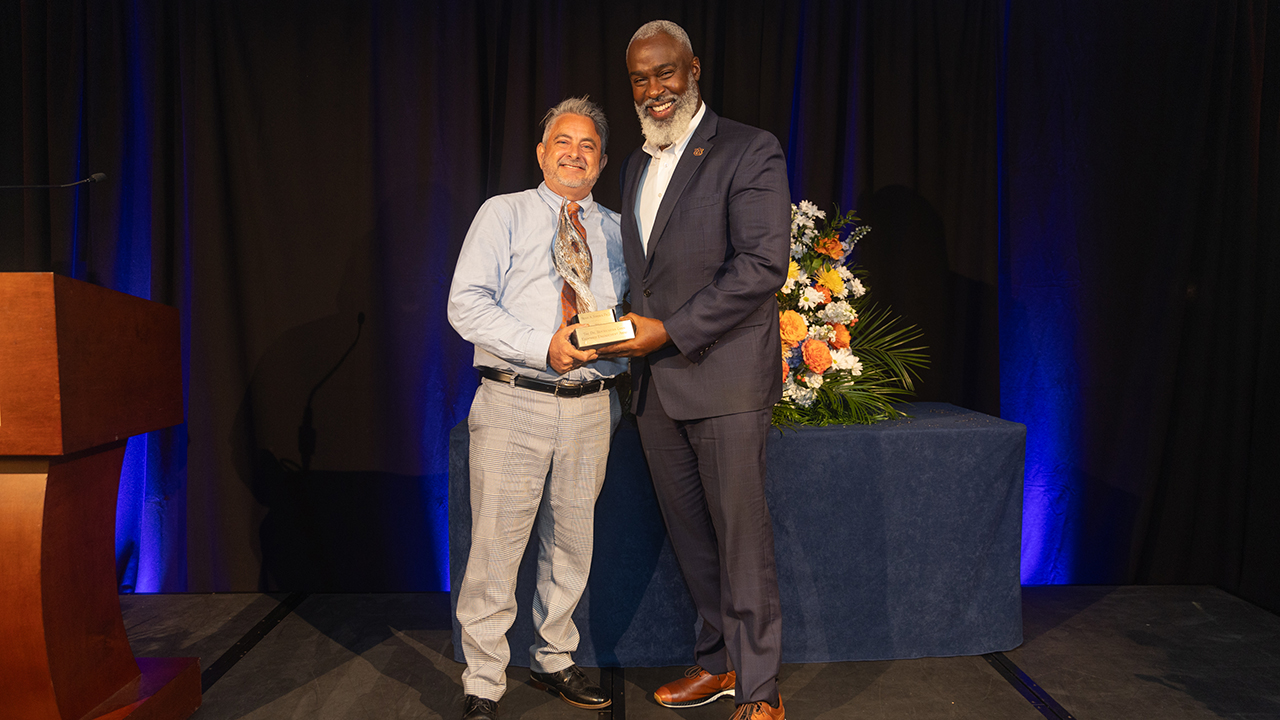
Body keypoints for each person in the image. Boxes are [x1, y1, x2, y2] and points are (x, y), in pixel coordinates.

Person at [596, 19, 791, 720]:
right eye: (641, 79)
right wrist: (610, 328)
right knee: (692, 538)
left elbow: (763, 265)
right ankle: (722, 663)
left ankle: (763, 689)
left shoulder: (749, 150)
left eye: (665, 73)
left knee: (741, 537)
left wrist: (670, 331)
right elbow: (648, 278)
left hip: (724, 377)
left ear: (694, 69)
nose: (653, 89)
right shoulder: (636, 165)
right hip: (655, 388)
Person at [448, 96, 626, 720]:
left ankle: (555, 658)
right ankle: (483, 682)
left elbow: (623, 317)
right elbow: (465, 304)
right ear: (541, 153)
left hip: (590, 408)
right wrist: (540, 348)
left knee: (572, 546)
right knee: (496, 549)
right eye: (563, 142)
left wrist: (617, 350)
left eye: (588, 147)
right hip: (512, 399)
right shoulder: (504, 213)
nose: (575, 154)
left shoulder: (615, 229)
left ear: (602, 162)